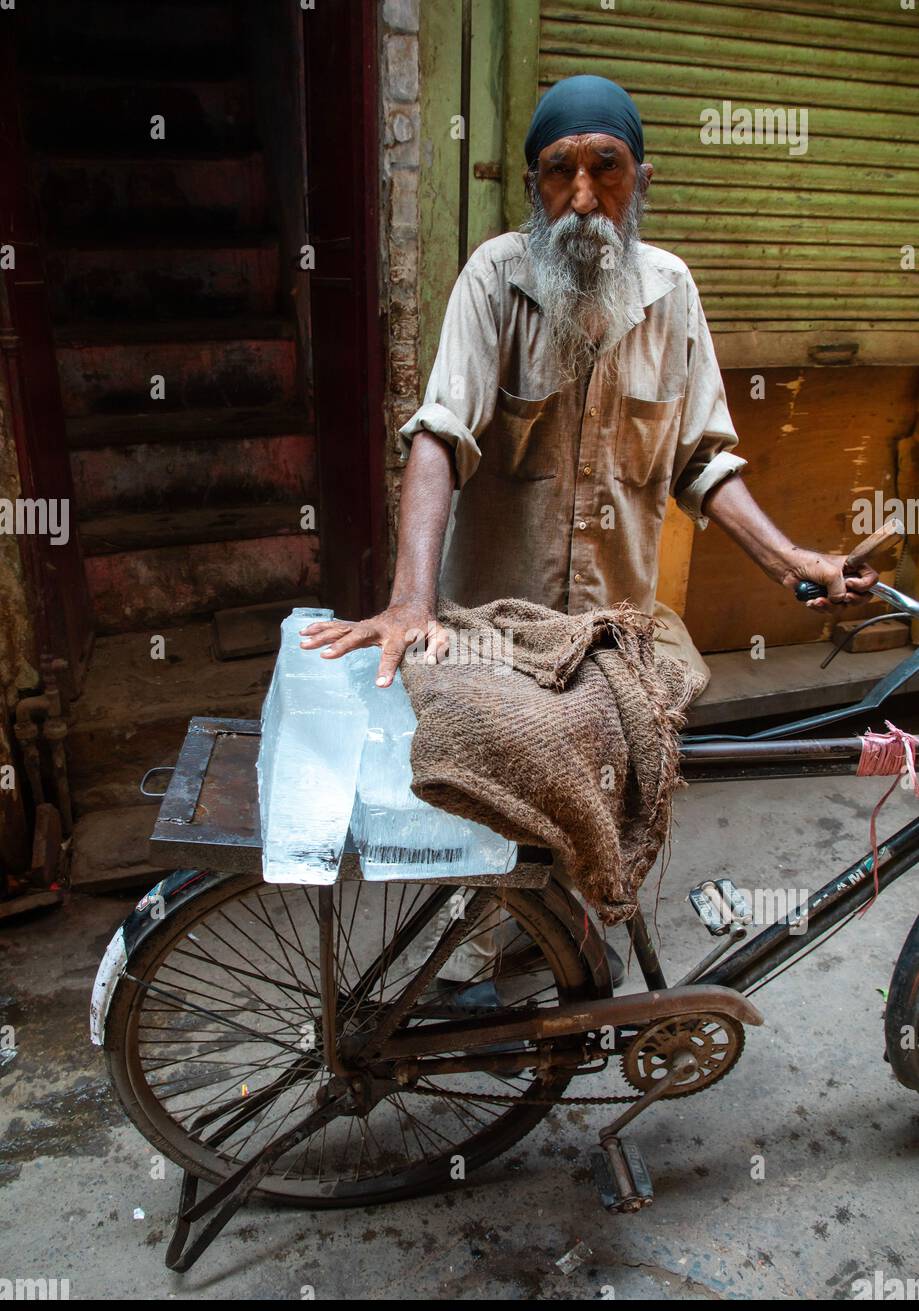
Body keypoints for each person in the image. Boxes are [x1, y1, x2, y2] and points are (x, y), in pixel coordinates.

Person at [300, 74, 877, 992]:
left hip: (611, 624)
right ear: (533, 187)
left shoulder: (671, 293)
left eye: (603, 168)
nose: (581, 196)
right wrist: (409, 601)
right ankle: (491, 974)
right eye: (558, 171)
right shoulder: (495, 278)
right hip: (498, 619)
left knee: (607, 791)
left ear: (639, 178)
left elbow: (702, 461)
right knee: (499, 812)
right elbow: (439, 435)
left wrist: (790, 560)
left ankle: (563, 955)